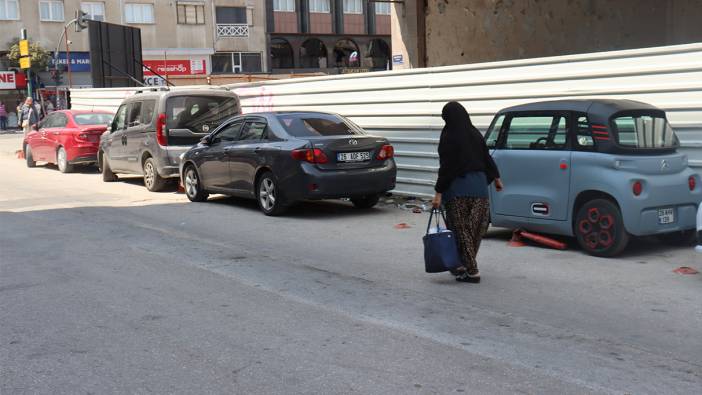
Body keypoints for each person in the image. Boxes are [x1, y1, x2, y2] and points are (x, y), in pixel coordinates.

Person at [432, 101, 504, 283]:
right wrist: (496, 178)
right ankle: (462, 265)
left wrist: (438, 192)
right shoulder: (474, 134)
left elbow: (446, 167)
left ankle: (472, 271)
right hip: (480, 188)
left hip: (457, 189)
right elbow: (486, 157)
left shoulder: (448, 135)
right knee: (474, 231)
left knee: (461, 231)